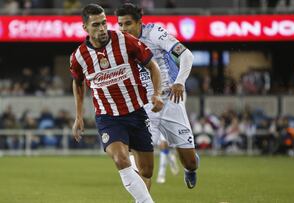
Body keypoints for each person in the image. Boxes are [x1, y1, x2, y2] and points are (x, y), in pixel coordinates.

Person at [70, 4, 163, 203]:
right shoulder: (79, 57)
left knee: (146, 171)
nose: (102, 28)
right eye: (96, 25)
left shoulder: (125, 41)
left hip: (136, 113)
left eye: (104, 23)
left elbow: (153, 66)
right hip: (108, 117)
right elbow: (78, 83)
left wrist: (157, 94)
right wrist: (78, 116)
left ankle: (132, 169)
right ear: (85, 27)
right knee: (120, 159)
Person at [116, 3, 199, 189]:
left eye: (128, 23)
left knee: (190, 162)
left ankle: (190, 168)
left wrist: (180, 81)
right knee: (144, 169)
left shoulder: (154, 33)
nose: (123, 28)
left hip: (170, 99)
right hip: (143, 106)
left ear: (140, 22)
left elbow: (187, 56)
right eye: (120, 24)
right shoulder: (118, 42)